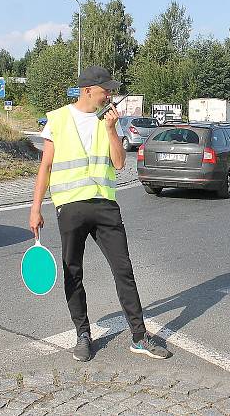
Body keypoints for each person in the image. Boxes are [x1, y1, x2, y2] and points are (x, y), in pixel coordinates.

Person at [28, 65, 171, 362]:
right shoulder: (57, 119)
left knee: (123, 270)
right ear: (87, 90)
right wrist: (35, 208)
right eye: (105, 89)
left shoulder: (108, 121)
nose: (110, 95)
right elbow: (46, 166)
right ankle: (82, 334)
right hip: (70, 207)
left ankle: (139, 336)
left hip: (105, 205)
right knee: (73, 272)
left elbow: (119, 164)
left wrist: (110, 130)